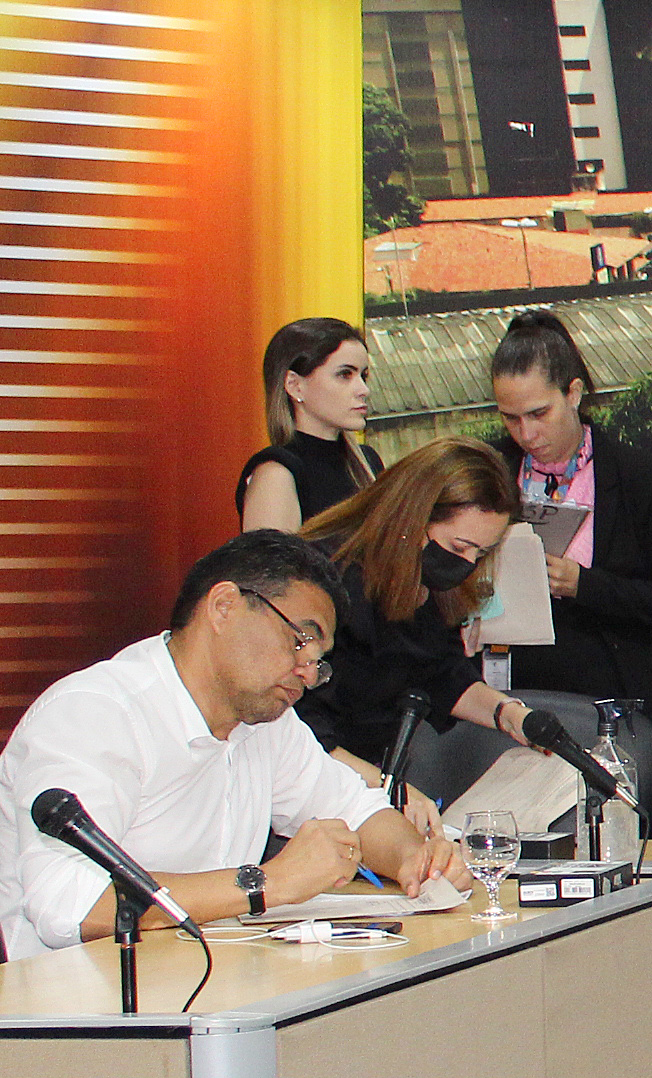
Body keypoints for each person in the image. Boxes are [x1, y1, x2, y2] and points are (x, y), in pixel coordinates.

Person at [0, 530, 468, 960]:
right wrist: (267, 883)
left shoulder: (265, 722)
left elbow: (355, 810)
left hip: (208, 981)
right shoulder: (96, 712)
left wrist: (415, 859)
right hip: (75, 1002)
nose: (307, 674)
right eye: (299, 641)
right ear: (224, 606)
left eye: (318, 661)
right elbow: (68, 904)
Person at [485, 309, 652, 808]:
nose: (526, 433)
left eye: (539, 413)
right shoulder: (487, 470)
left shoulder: (634, 475)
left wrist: (584, 585)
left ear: (574, 393)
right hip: (509, 700)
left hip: (607, 703)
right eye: (510, 418)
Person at [298, 438, 546, 812]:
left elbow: (442, 676)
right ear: (414, 519)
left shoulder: (427, 586)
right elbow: (300, 729)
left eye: (481, 553)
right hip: (312, 782)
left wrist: (509, 714)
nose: (468, 563)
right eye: (460, 547)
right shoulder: (325, 580)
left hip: (368, 778)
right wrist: (385, 788)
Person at [237, 317, 381, 530]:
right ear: (294, 385)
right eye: (344, 374)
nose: (363, 390)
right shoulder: (277, 473)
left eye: (363, 376)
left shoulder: (368, 462)